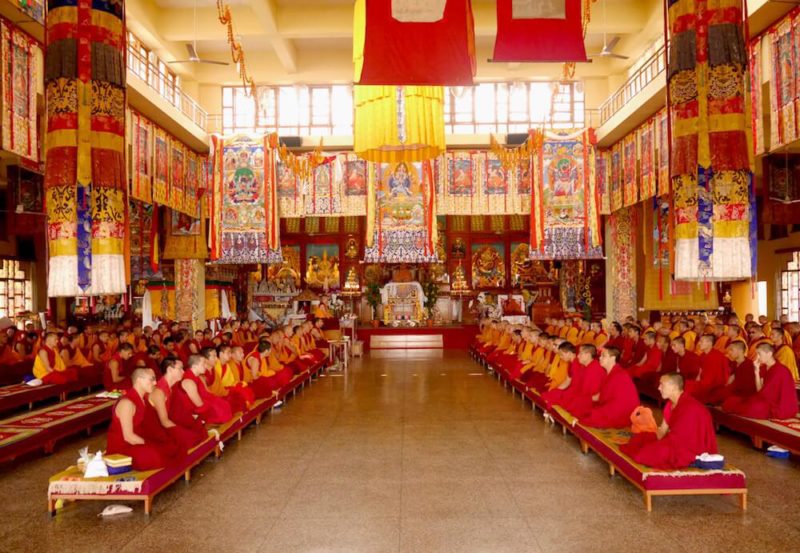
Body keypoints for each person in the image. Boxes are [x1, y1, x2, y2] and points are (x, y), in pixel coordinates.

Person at [620, 373, 718, 469]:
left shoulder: (690, 408)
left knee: (644, 455)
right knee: (640, 440)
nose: (658, 388)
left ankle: (693, 459)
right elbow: (662, 431)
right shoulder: (670, 404)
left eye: (662, 385)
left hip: (691, 447)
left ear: (674, 387)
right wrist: (649, 439)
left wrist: (657, 447)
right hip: (675, 441)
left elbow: (681, 441)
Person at [105, 368, 183, 470]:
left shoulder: (143, 400)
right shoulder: (127, 403)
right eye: (152, 379)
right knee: (154, 456)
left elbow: (151, 425)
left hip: (138, 441)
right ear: (139, 380)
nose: (155, 382)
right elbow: (128, 437)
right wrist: (151, 444)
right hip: (122, 447)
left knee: (169, 446)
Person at [722, 342, 798, 419]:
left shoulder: (780, 370)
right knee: (730, 401)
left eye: (759, 354)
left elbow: (768, 396)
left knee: (754, 407)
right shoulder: (763, 368)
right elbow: (759, 390)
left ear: (769, 354)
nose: (757, 357)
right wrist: (757, 372)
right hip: (764, 400)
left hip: (778, 405)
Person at [149, 357, 208, 452]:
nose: (183, 371)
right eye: (180, 368)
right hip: (156, 428)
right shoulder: (159, 391)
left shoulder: (172, 388)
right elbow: (164, 421)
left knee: (198, 429)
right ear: (169, 369)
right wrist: (181, 432)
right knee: (189, 439)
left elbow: (177, 410)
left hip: (168, 421)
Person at [580, 346, 639, 429]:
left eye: (603, 356)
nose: (600, 358)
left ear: (612, 358)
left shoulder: (620, 375)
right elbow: (604, 395)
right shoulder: (609, 372)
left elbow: (620, 402)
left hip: (621, 410)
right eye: (600, 355)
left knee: (591, 416)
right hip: (612, 404)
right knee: (585, 408)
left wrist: (590, 400)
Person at [173, 354, 233, 425]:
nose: (205, 365)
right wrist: (214, 406)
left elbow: (207, 393)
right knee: (220, 410)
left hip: (203, 403)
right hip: (194, 411)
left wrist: (217, 401)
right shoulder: (189, 381)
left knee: (224, 404)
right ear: (195, 366)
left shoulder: (199, 377)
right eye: (203, 363)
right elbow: (199, 405)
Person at [207, 344, 255, 412]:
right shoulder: (215, 366)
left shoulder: (226, 365)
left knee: (245, 390)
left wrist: (238, 383)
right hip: (220, 391)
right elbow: (216, 385)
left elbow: (231, 381)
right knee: (239, 395)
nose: (230, 355)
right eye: (228, 352)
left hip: (226, 388)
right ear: (220, 354)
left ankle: (246, 406)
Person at [685, 334, 730, 404]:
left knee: (688, 388)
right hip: (705, 382)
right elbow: (700, 372)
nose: (699, 344)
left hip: (715, 387)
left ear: (709, 343)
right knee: (685, 384)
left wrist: (698, 384)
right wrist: (697, 381)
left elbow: (711, 380)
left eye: (701, 341)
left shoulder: (717, 356)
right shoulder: (702, 355)